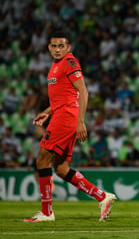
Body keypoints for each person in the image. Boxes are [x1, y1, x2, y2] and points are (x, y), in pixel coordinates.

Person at [24, 31, 116, 222]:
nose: (57, 50)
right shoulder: (55, 66)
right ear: (49, 48)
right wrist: (47, 112)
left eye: (61, 46)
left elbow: (83, 91)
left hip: (66, 117)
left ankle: (47, 213)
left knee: (42, 159)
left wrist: (80, 121)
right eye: (54, 46)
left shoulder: (69, 62)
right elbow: (64, 95)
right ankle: (102, 197)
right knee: (61, 168)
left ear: (68, 48)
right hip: (60, 115)